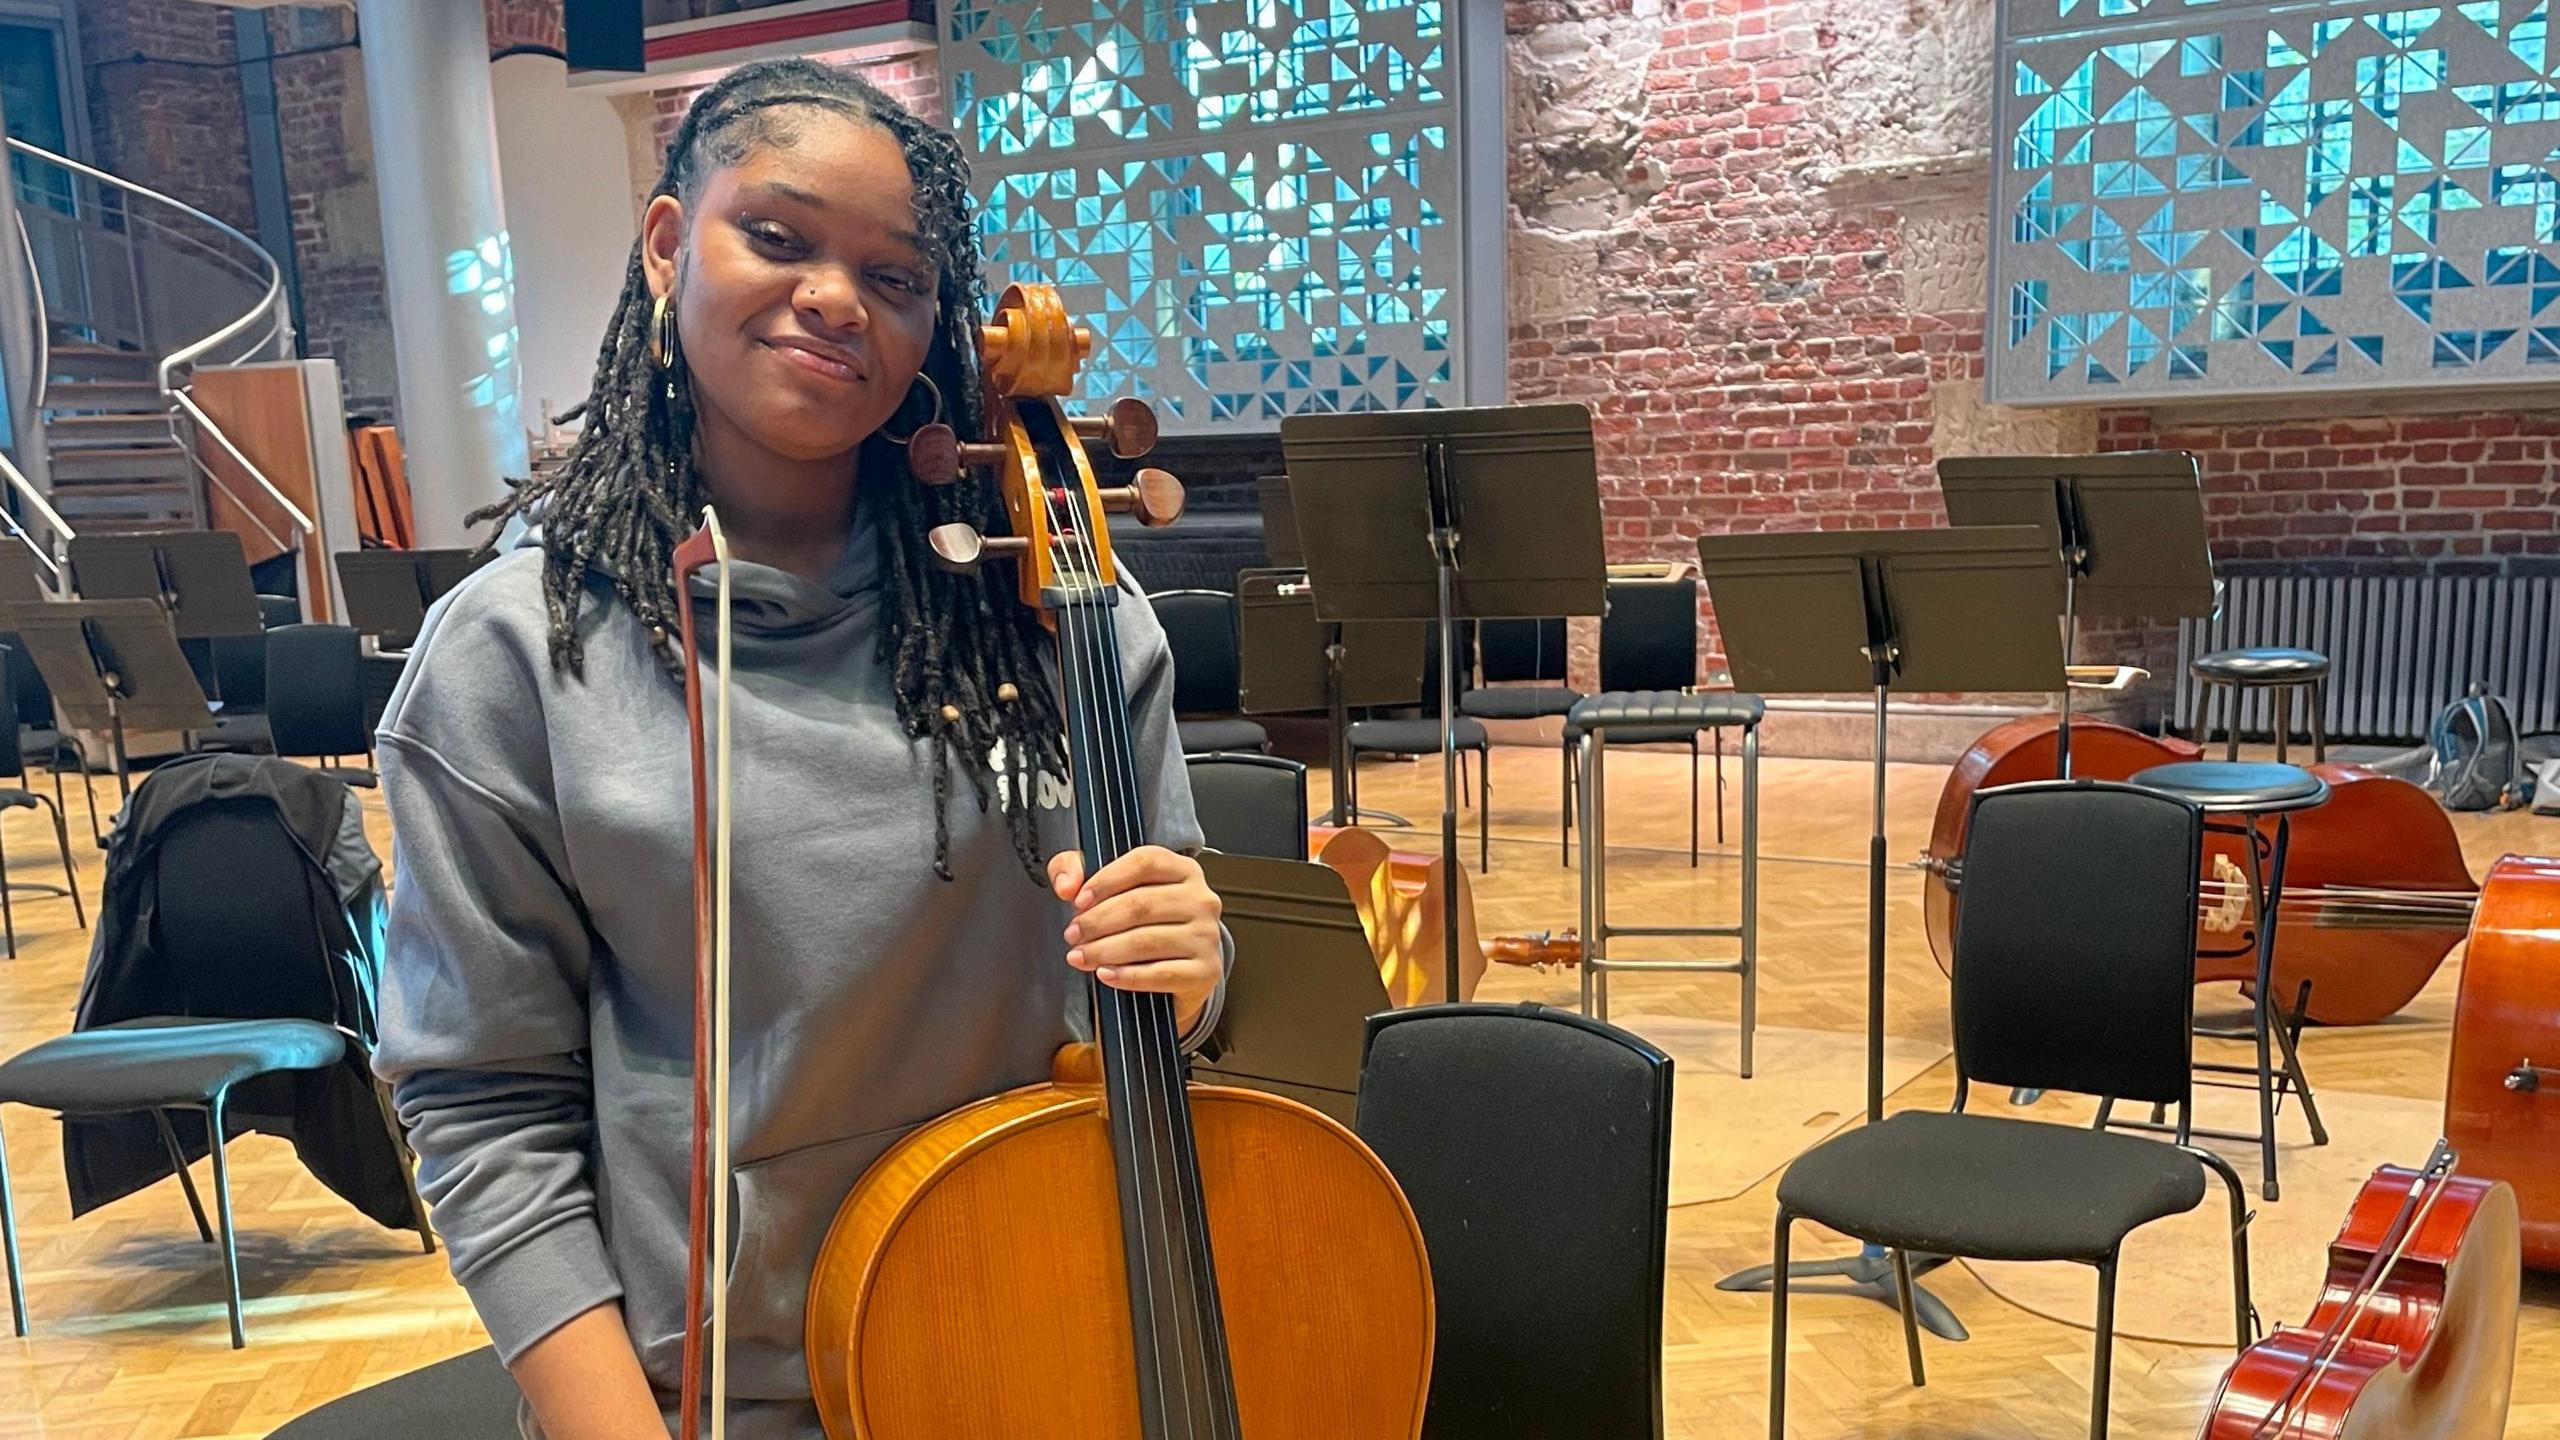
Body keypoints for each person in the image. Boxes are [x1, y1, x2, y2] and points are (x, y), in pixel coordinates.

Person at [371, 59, 1228, 1440]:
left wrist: (1192, 968)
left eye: (895, 278)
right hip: (727, 1400)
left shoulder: (1064, 611)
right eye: (776, 237)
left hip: (1066, 1345)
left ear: (934, 325)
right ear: (668, 246)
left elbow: (1182, 995)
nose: (835, 298)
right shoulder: (517, 656)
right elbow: (485, 1109)